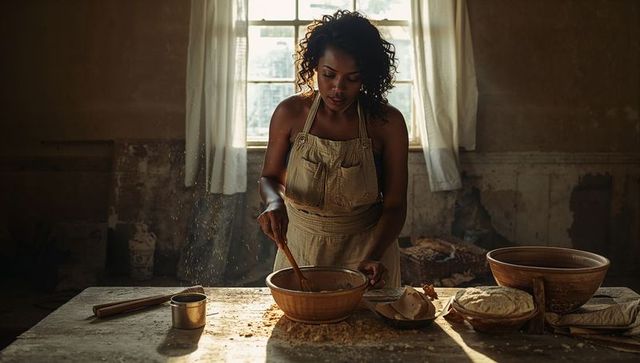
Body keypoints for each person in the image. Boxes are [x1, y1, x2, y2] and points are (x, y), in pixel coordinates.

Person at [257, 10, 408, 288]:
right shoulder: (290, 113)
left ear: (368, 77)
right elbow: (269, 177)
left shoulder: (388, 123)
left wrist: (373, 256)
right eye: (329, 75)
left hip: (367, 252)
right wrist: (274, 203)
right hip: (301, 249)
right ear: (314, 66)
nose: (338, 88)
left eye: (352, 78)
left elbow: (396, 205)